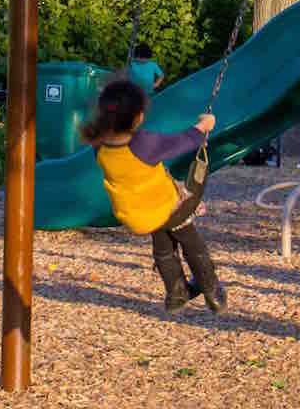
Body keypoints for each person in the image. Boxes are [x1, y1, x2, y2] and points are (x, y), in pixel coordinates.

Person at [81, 80, 225, 313]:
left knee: (162, 244)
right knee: (190, 240)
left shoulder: (99, 145)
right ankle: (212, 291)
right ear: (137, 117)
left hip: (137, 215)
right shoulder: (143, 143)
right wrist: (204, 126)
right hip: (169, 207)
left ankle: (176, 293)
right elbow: (185, 141)